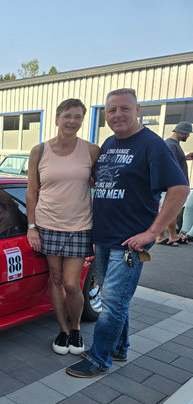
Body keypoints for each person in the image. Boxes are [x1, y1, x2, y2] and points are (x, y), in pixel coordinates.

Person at [66, 88, 189, 378]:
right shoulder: (109, 143)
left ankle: (100, 358)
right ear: (106, 115)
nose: (117, 115)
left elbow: (180, 189)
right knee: (115, 298)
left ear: (137, 111)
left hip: (130, 242)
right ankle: (119, 347)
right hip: (105, 236)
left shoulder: (152, 145)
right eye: (111, 110)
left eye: (124, 109)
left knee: (112, 303)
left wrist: (153, 232)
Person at [26, 99, 101, 356]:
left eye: (78, 117)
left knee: (71, 283)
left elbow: (103, 184)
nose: (72, 121)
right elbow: (32, 191)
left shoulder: (91, 151)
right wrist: (32, 227)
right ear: (57, 118)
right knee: (55, 280)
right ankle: (63, 330)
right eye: (67, 116)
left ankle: (76, 328)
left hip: (80, 226)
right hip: (47, 224)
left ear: (82, 121)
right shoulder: (39, 151)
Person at [156, 121, 191, 246]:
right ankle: (160, 237)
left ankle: (173, 236)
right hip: (172, 184)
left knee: (172, 211)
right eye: (187, 133)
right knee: (167, 211)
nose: (188, 136)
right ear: (180, 132)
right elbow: (170, 165)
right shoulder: (171, 145)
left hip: (174, 184)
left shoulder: (174, 145)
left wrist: (184, 158)